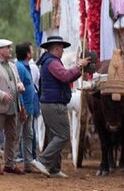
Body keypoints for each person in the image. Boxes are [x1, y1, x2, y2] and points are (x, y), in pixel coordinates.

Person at [30, 35, 88, 178]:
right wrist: (79, 65)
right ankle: (42, 161)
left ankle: (54, 169)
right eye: (62, 48)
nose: (63, 51)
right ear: (56, 48)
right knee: (63, 135)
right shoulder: (53, 63)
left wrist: (79, 69)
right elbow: (65, 76)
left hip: (49, 103)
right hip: (54, 104)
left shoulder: (49, 62)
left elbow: (66, 77)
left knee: (54, 135)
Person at [0, 38, 25, 175]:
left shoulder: (13, 66)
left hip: (13, 106)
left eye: (10, 47)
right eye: (7, 47)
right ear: (0, 51)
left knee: (12, 136)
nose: (10, 50)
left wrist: (20, 86)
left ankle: (10, 164)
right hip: (1, 106)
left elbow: (18, 81)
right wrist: (2, 94)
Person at [15, 42, 39, 173]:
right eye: (31, 50)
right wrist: (21, 107)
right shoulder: (20, 67)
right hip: (23, 109)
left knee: (28, 135)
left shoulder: (25, 66)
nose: (33, 51)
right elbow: (17, 89)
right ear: (27, 53)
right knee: (17, 135)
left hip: (28, 108)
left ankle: (27, 164)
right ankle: (11, 163)